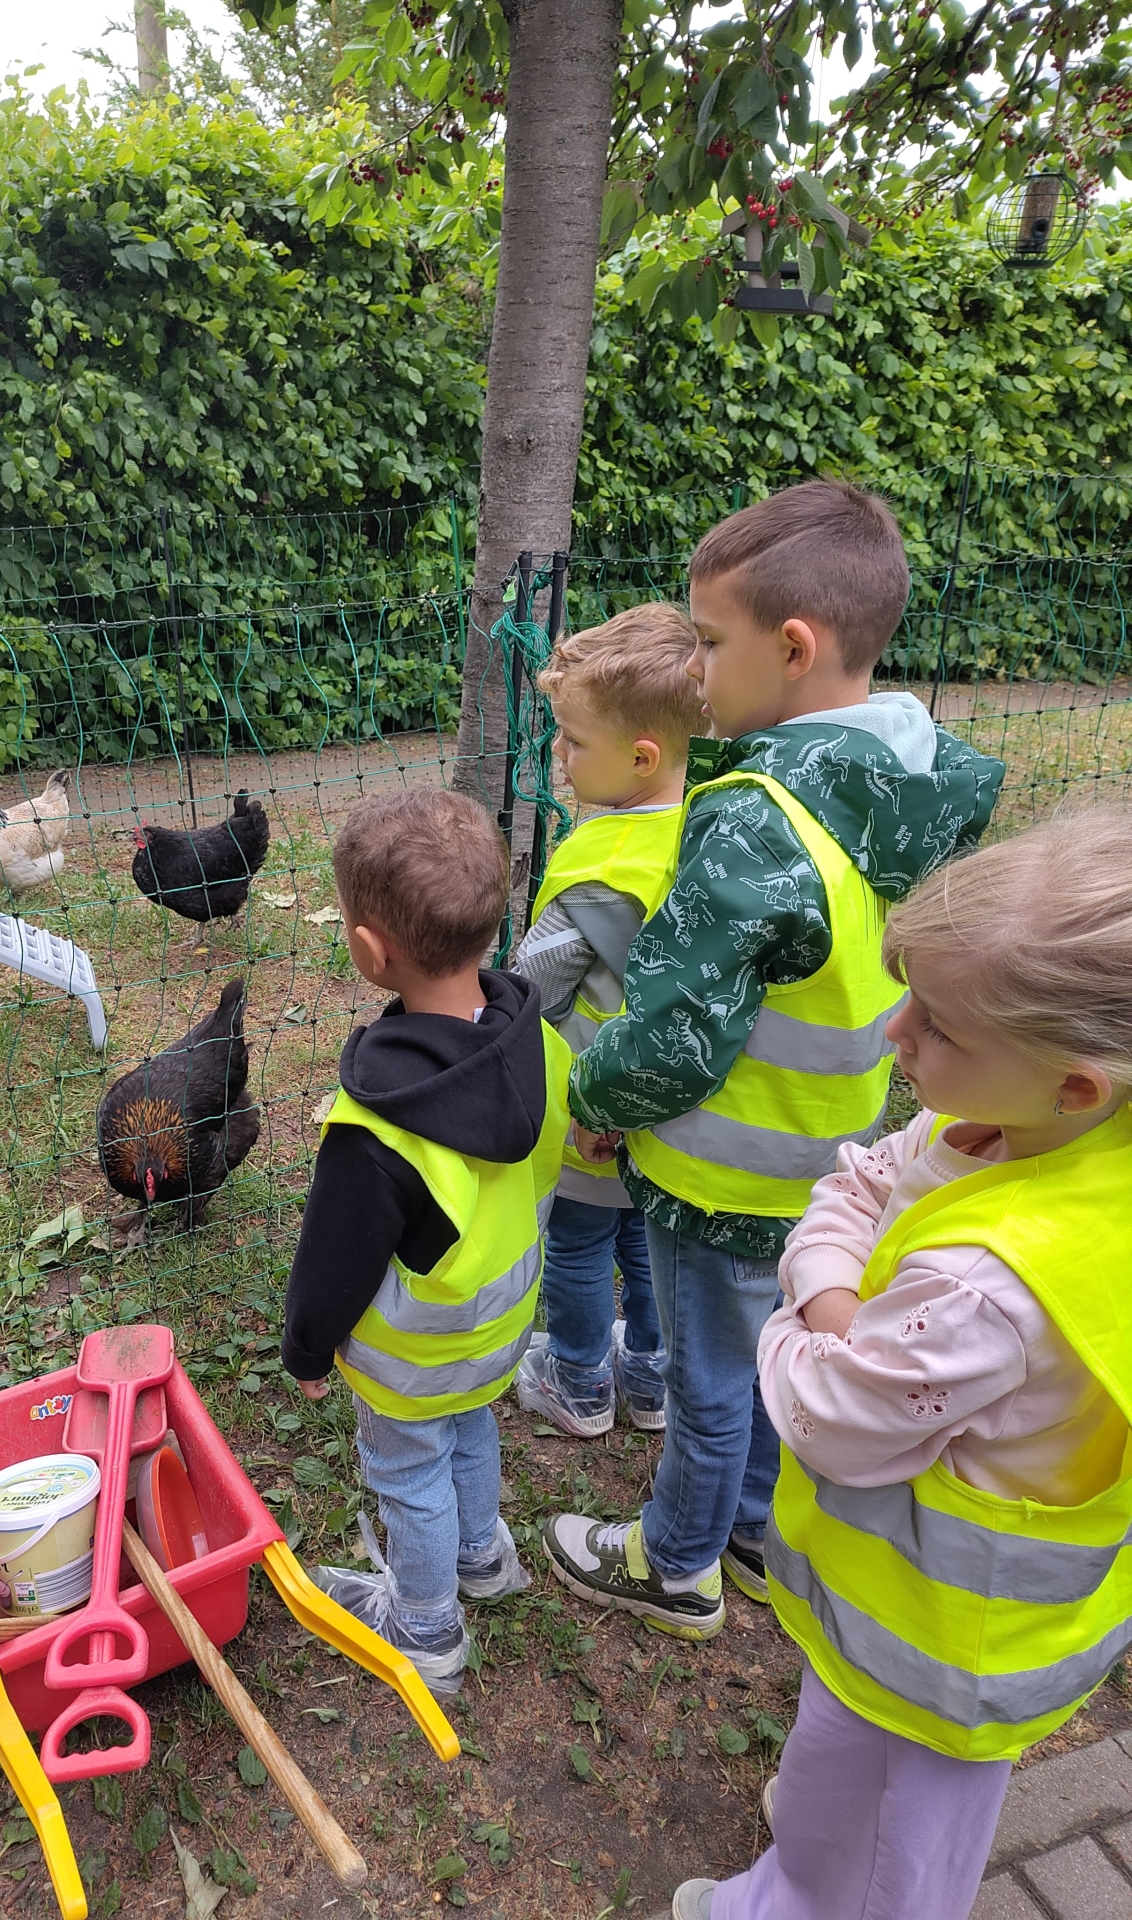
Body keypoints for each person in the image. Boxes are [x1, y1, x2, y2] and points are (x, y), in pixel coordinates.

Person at [541, 480, 1004, 1640]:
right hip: (835, 1146)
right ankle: (754, 1531)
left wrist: (598, 1099)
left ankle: (675, 1563)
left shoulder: (753, 816)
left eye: (707, 643)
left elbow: (679, 1025)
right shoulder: (914, 779)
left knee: (711, 1383)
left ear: (791, 649)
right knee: (765, 1353)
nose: (697, 673)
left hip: (724, 1168)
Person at [672, 809, 1132, 1920]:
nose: (892, 1032)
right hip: (912, 1617)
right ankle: (795, 1877)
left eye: (937, 1025)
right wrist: (838, 1295)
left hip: (944, 1641)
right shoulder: (1020, 1133)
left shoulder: (992, 1288)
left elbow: (827, 1414)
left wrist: (799, 1310)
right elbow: (867, 1180)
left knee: (898, 1861)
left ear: (1077, 1083)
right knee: (843, 1777)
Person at [280, 787, 572, 1696]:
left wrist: (307, 1346)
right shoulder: (541, 1044)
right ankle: (482, 1556)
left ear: (370, 950)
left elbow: (336, 1260)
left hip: (412, 1355)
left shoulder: (378, 1128)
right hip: (500, 1326)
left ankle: (426, 1627)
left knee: (409, 1472)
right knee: (472, 1422)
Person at [513, 604, 702, 1437]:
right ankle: (651, 1378)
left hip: (597, 1094)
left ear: (641, 755)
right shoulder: (712, 834)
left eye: (573, 740)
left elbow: (535, 984)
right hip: (678, 1105)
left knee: (582, 1239)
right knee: (647, 1241)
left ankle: (581, 1380)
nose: (560, 753)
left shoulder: (598, 861)